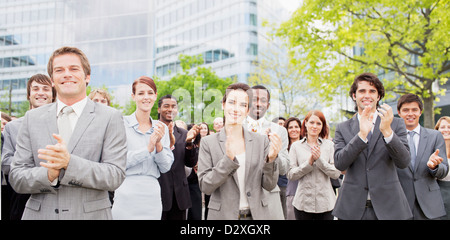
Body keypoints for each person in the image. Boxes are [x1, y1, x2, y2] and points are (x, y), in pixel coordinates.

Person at [9, 46, 127, 220]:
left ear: (87, 76)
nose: (66, 74)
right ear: (52, 80)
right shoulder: (32, 118)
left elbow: (115, 175)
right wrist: (49, 175)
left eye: (73, 69)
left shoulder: (111, 117)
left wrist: (69, 164)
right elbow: (17, 177)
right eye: (59, 70)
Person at [332, 72, 412, 220]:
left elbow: (404, 162)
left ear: (379, 96)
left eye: (372, 91)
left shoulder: (396, 123)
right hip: (352, 209)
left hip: (389, 208)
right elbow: (339, 163)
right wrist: (361, 136)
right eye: (362, 91)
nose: (367, 95)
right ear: (354, 96)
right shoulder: (343, 127)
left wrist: (387, 131)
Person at [197, 83, 282, 220]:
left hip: (257, 216)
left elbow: (269, 185)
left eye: (243, 105)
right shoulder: (208, 142)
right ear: (223, 104)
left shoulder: (261, 141)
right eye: (232, 102)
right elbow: (205, 186)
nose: (236, 109)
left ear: (248, 110)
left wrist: (271, 159)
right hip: (222, 216)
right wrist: (228, 159)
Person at [111, 76, 174, 220]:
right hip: (126, 193)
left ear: (155, 96)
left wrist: (158, 145)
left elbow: (165, 167)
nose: (146, 97)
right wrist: (148, 148)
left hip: (152, 196)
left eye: (150, 93)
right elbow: (118, 161)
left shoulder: (161, 127)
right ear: (133, 97)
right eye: (141, 93)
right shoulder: (121, 124)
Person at [2, 74, 56, 220]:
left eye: (46, 89)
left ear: (53, 95)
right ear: (29, 94)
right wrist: (32, 162)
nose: (40, 92)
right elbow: (6, 164)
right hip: (22, 198)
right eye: (35, 88)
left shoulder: (62, 124)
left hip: (55, 196)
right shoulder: (12, 127)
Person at [396, 93, 448, 219]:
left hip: (430, 205)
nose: (410, 113)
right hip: (400, 204)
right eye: (406, 110)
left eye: (414, 110)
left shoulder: (435, 136)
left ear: (420, 112)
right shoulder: (392, 138)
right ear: (399, 112)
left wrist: (434, 166)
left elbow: (444, 170)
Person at [244, 85, 289, 219]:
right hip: (240, 198)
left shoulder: (279, 131)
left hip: (268, 199)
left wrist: (273, 154)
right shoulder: (235, 127)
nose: (259, 103)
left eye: (263, 100)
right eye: (255, 99)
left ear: (268, 105)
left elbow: (284, 168)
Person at [288, 110, 341, 220]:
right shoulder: (296, 146)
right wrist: (309, 163)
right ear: (306, 123)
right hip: (302, 203)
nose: (314, 126)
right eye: (312, 122)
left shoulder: (329, 145)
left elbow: (336, 173)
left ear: (322, 126)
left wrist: (319, 161)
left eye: (318, 123)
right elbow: (291, 174)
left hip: (326, 204)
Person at [157, 94, 200, 220]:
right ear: (159, 109)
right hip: (157, 193)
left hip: (179, 196)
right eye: (166, 106)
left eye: (173, 107)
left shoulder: (184, 134)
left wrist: (189, 143)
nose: (170, 109)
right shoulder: (152, 131)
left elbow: (190, 163)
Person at [284, 117, 302, 220]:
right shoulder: (283, 148)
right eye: (290, 127)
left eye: (296, 127)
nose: (294, 129)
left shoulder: (307, 145)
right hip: (291, 191)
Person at [435, 116, 450, 219]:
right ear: (437, 130)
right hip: (439, 193)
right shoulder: (432, 150)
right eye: (443, 127)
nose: (446, 130)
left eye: (449, 127)